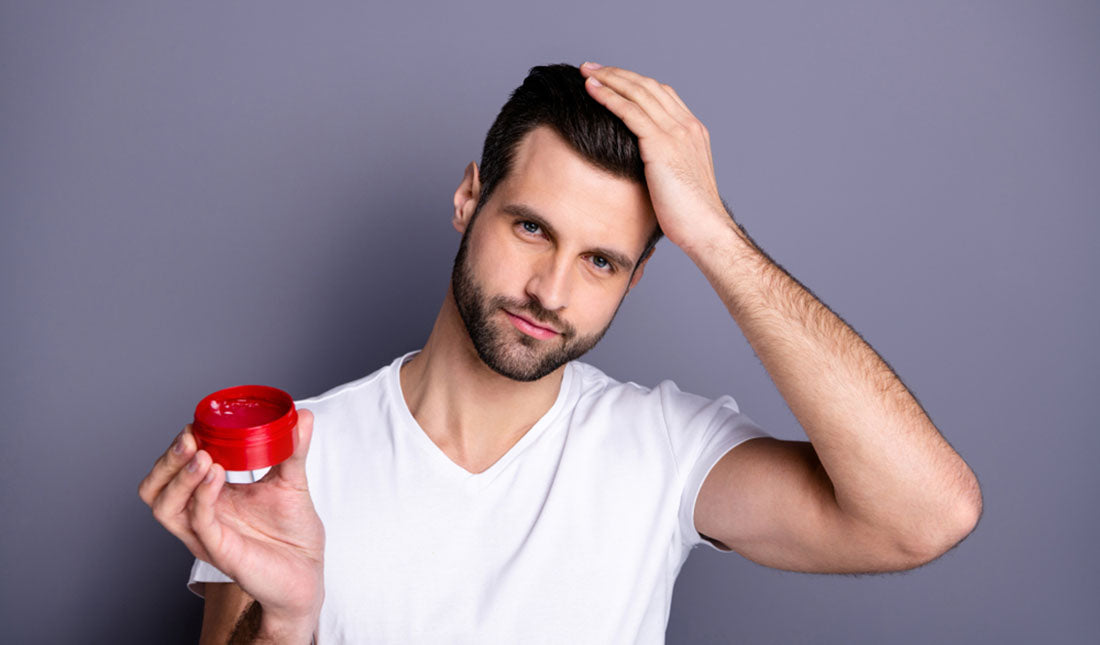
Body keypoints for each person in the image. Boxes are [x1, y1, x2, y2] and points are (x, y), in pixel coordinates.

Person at [139, 62, 982, 644]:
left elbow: (926, 516)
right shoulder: (292, 459)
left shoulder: (662, 451)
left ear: (636, 277)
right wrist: (286, 623)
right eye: (532, 226)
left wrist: (717, 238)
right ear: (471, 196)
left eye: (601, 261)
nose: (551, 289)